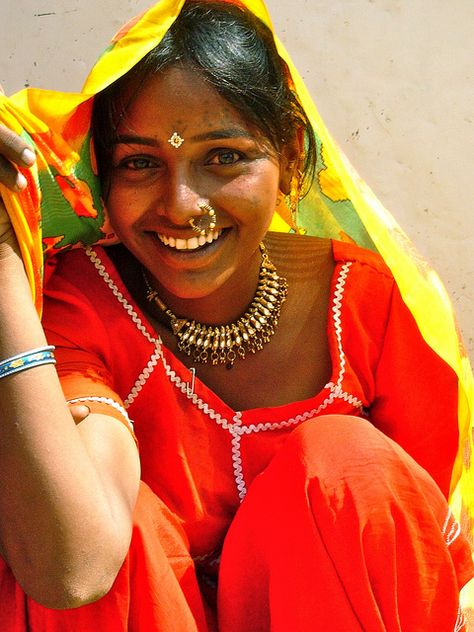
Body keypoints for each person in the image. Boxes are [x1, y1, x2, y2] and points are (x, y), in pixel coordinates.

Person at [0, 0, 472, 629]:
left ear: (290, 154)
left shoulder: (364, 304)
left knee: (347, 465)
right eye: (140, 163)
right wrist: (4, 256)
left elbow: (421, 558)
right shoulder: (81, 303)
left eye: (223, 156)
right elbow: (72, 568)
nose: (182, 204)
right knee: (85, 502)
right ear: (101, 180)